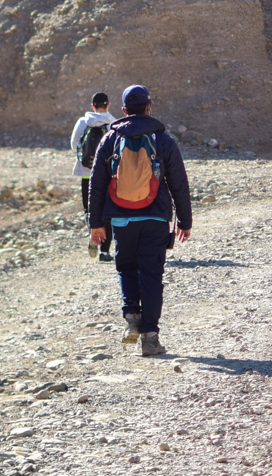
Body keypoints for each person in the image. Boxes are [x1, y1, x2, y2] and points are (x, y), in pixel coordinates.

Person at [88, 85, 192, 357]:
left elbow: (97, 184)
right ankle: (150, 338)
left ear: (123, 111)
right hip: (155, 217)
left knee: (126, 268)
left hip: (121, 219)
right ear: (149, 107)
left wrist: (95, 223)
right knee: (152, 275)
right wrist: (185, 220)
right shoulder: (163, 140)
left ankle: (132, 317)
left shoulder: (110, 140)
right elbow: (179, 183)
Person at [69, 92, 115, 261]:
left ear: (92, 106)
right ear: (108, 105)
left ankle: (92, 235)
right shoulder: (113, 123)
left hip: (87, 175)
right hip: (107, 176)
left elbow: (74, 146)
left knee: (90, 209)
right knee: (108, 211)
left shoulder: (82, 122)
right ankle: (105, 251)